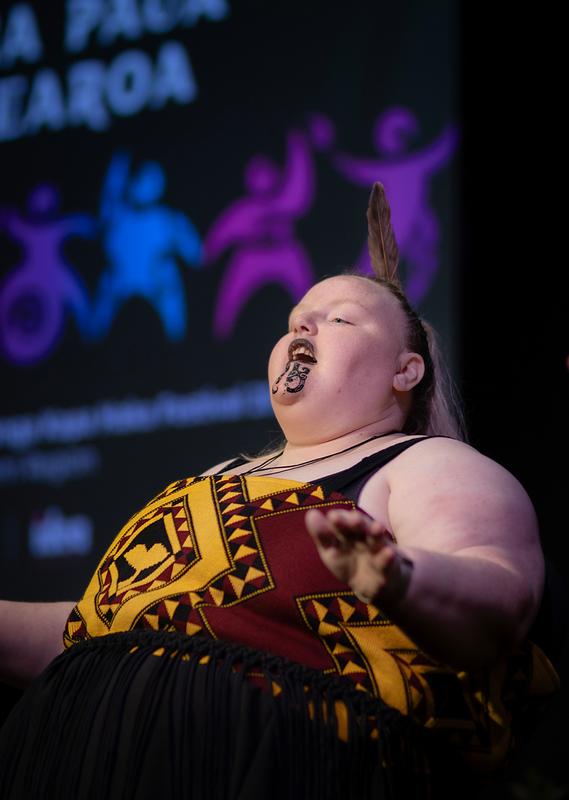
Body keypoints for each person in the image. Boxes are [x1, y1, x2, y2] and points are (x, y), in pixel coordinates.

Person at [0, 184, 559, 799]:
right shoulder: (212, 478)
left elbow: (499, 590)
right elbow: (92, 631)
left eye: (340, 319)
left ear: (406, 370)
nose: (304, 328)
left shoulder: (424, 463)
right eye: (296, 322)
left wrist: (399, 577)